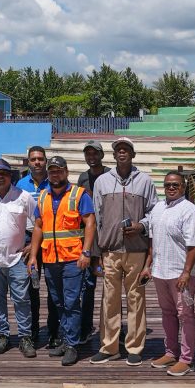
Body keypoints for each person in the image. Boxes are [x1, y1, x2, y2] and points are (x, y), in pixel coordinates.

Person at [90, 136, 157, 366]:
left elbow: (154, 213)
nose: (122, 152)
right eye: (118, 149)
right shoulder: (102, 181)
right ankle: (109, 346)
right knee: (109, 299)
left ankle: (134, 347)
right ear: (114, 154)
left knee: (136, 298)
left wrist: (141, 226)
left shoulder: (145, 181)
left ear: (133, 154)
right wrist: (97, 250)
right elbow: (96, 217)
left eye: (126, 149)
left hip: (136, 249)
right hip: (110, 249)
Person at [28, 155, 95, 366]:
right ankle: (67, 341)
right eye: (52, 171)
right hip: (50, 259)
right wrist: (32, 256)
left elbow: (90, 223)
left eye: (59, 170)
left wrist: (86, 252)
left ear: (66, 172)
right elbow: (38, 227)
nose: (55, 174)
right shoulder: (43, 196)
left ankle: (72, 345)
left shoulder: (78, 194)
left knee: (72, 302)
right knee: (58, 302)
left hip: (73, 259)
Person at [143, 171, 195, 377]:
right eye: (168, 184)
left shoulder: (190, 210)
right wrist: (148, 265)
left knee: (185, 314)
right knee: (167, 312)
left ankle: (186, 358)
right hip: (160, 270)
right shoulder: (158, 208)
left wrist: (186, 272)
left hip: (180, 272)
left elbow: (194, 245)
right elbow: (153, 241)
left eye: (175, 185)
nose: (171, 188)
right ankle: (170, 351)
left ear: (183, 187)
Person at [0, 159, 36, 357]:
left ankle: (25, 337)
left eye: (4, 173)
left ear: (10, 176)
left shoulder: (24, 196)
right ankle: (2, 335)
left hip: (17, 259)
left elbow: (39, 222)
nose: (0, 177)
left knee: (22, 299)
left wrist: (32, 248)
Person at [17, 144, 60, 347]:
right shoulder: (20, 184)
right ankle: (32, 332)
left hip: (51, 242)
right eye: (33, 159)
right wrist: (27, 244)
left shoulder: (54, 182)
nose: (37, 162)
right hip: (28, 244)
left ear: (46, 161)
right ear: (28, 161)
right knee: (31, 290)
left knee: (53, 289)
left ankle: (54, 332)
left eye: (40, 159)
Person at [77, 139, 110, 343]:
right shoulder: (82, 177)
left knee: (110, 286)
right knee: (88, 286)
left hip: (107, 235)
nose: (92, 157)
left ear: (101, 155)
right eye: (88, 154)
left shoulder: (110, 175)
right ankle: (86, 327)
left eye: (95, 153)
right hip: (89, 236)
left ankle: (113, 329)